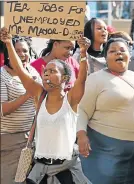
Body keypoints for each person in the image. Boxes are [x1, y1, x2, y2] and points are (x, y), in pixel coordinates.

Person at [0, 27, 90, 184]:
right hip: (40, 172)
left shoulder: (71, 100)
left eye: (53, 71)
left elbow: (82, 78)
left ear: (65, 78)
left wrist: (83, 53)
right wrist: (8, 43)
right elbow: (21, 71)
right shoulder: (39, 96)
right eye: (45, 72)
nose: (47, 74)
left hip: (65, 172)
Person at [76, 38, 134, 184]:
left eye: (122, 50)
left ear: (130, 56)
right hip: (105, 149)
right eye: (112, 51)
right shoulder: (96, 79)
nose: (118, 53)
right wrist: (81, 134)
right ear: (105, 58)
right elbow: (83, 110)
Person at [1, 36, 41, 184]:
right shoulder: (2, 75)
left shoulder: (33, 72)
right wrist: (27, 95)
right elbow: (2, 110)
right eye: (16, 51)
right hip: (9, 140)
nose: (22, 54)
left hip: (30, 139)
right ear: (8, 53)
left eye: (25, 50)